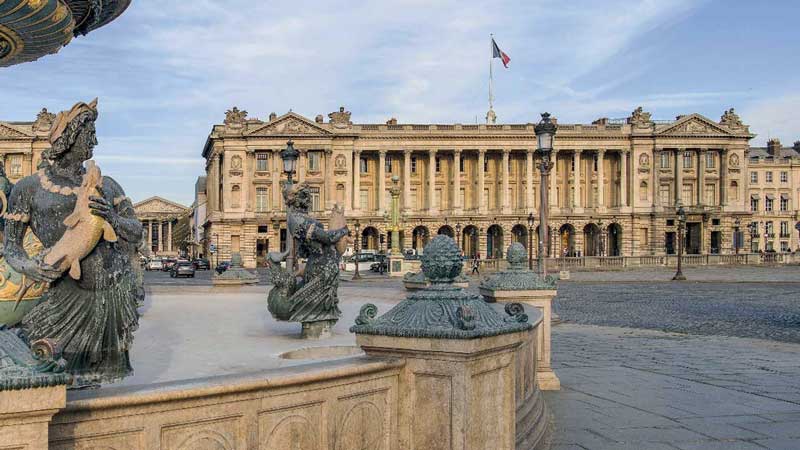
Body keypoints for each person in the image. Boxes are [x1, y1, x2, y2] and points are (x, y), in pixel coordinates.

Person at [4, 99, 143, 387]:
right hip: (62, 290)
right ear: (68, 139)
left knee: (93, 379)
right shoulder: (28, 188)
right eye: (88, 135)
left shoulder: (107, 185)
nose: (95, 141)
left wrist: (114, 220)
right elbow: (11, 247)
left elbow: (136, 231)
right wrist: (28, 267)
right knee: (53, 365)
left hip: (110, 292)